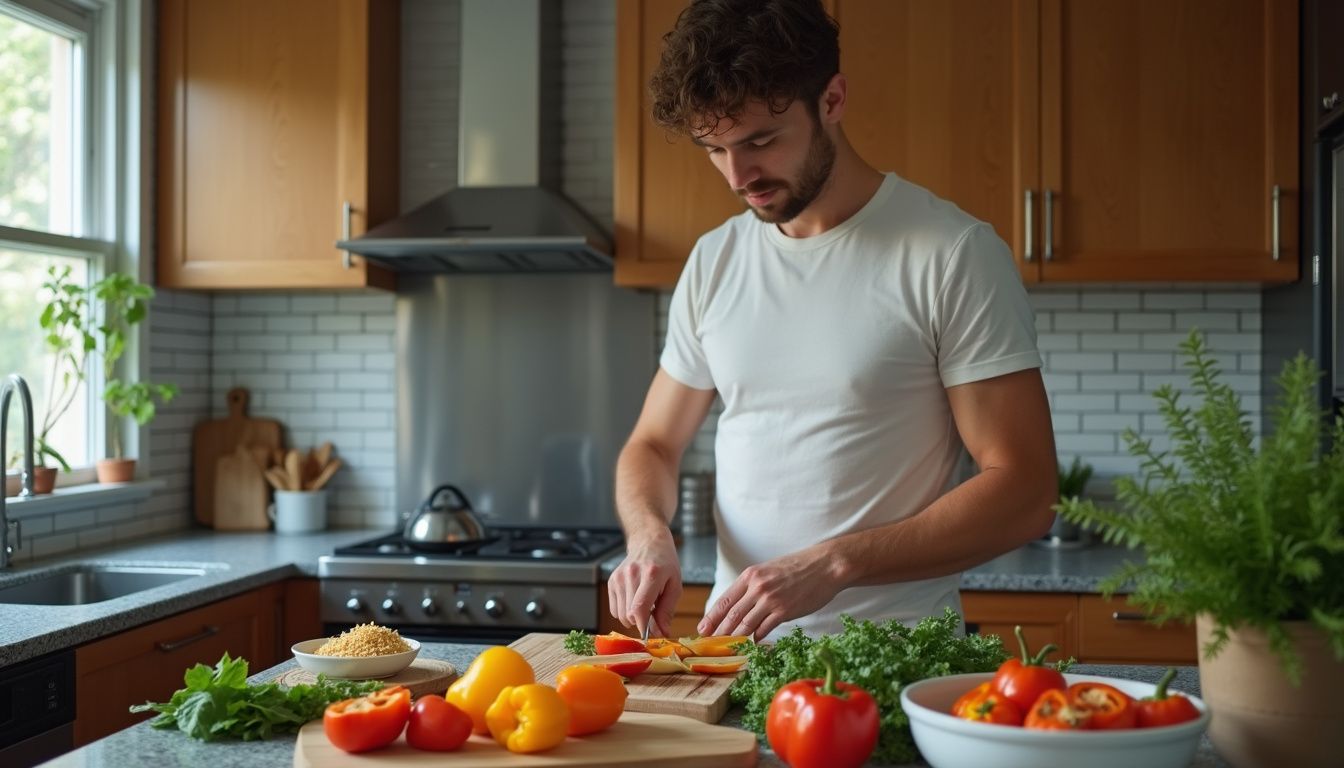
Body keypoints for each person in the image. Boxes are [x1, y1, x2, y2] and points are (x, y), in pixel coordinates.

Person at [607, 0, 1057, 644]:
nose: (739, 175)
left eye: (761, 141)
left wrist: (836, 562)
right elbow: (652, 444)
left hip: (893, 660)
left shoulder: (950, 252)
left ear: (833, 99)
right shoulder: (716, 259)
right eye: (715, 150)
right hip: (740, 661)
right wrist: (650, 535)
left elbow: (1025, 489)